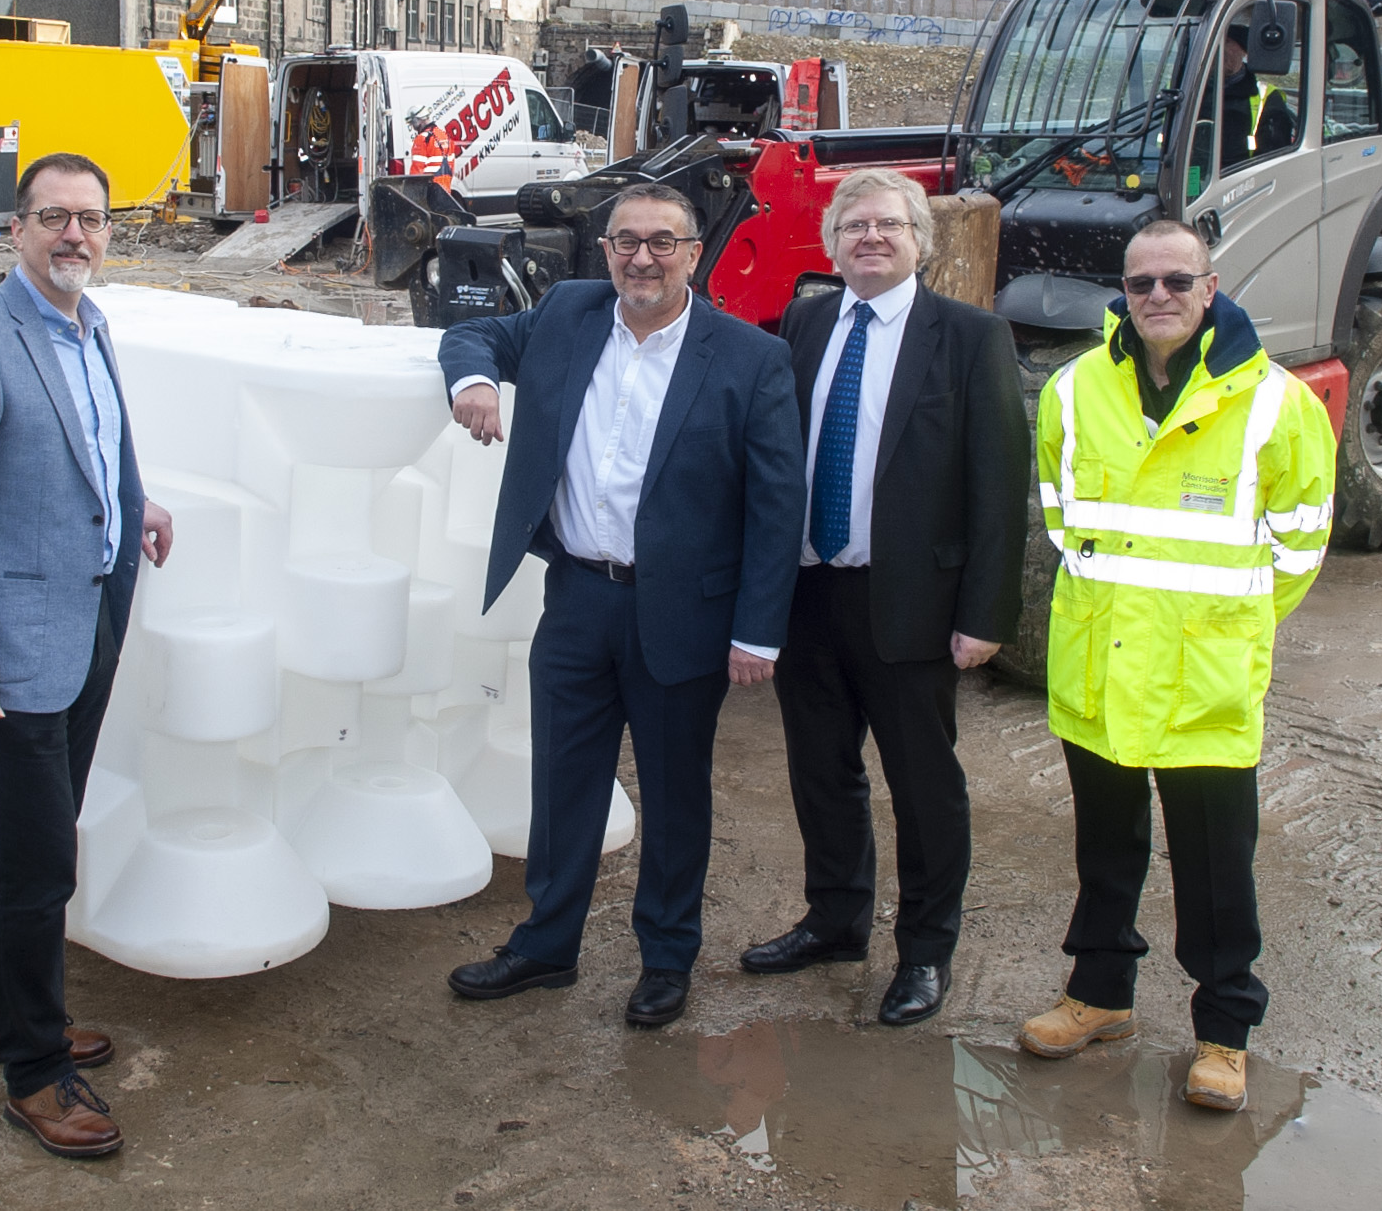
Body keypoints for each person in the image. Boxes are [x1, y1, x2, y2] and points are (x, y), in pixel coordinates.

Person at [440, 182, 805, 1029]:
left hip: (682, 612)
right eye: (625, 241)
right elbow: (473, 332)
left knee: (676, 795)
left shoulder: (749, 359)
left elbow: (776, 506)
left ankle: (667, 959)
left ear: (693, 254)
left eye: (662, 243)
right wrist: (476, 381)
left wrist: (759, 631)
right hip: (575, 599)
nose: (642, 257)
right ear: (604, 249)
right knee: (562, 780)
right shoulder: (568, 313)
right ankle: (545, 946)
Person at [1018, 220, 1334, 1113]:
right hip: (1101, 666)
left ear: (1211, 287)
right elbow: (1060, 513)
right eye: (1141, 282)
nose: (1157, 297)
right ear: (1123, 290)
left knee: (1214, 867)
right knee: (1105, 852)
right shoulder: (1076, 390)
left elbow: (1302, 543)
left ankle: (1224, 1033)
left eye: (1176, 282)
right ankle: (1100, 996)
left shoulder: (1275, 404)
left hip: (1204, 679)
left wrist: (1221, 629)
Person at [0, 153, 175, 1160]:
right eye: (54, 217)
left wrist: (128, 505)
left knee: (27, 835)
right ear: (14, 227)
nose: (75, 235)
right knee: (40, 859)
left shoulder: (87, 322)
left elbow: (85, 446)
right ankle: (32, 1067)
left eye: (92, 219)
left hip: (89, 610)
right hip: (10, 646)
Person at [740, 170, 1030, 1026]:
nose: (871, 237)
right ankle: (835, 922)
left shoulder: (971, 337)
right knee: (821, 776)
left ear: (919, 242)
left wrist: (985, 615)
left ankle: (925, 955)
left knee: (923, 790)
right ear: (832, 242)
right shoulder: (805, 321)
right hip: (809, 595)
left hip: (910, 604)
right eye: (855, 224)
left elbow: (998, 484)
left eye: (889, 225)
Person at [1218, 27, 1294, 164]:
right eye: (1215, 42)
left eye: (1227, 41)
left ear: (1243, 51)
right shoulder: (1189, 91)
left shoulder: (1268, 98)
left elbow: (1274, 161)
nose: (1218, 49)